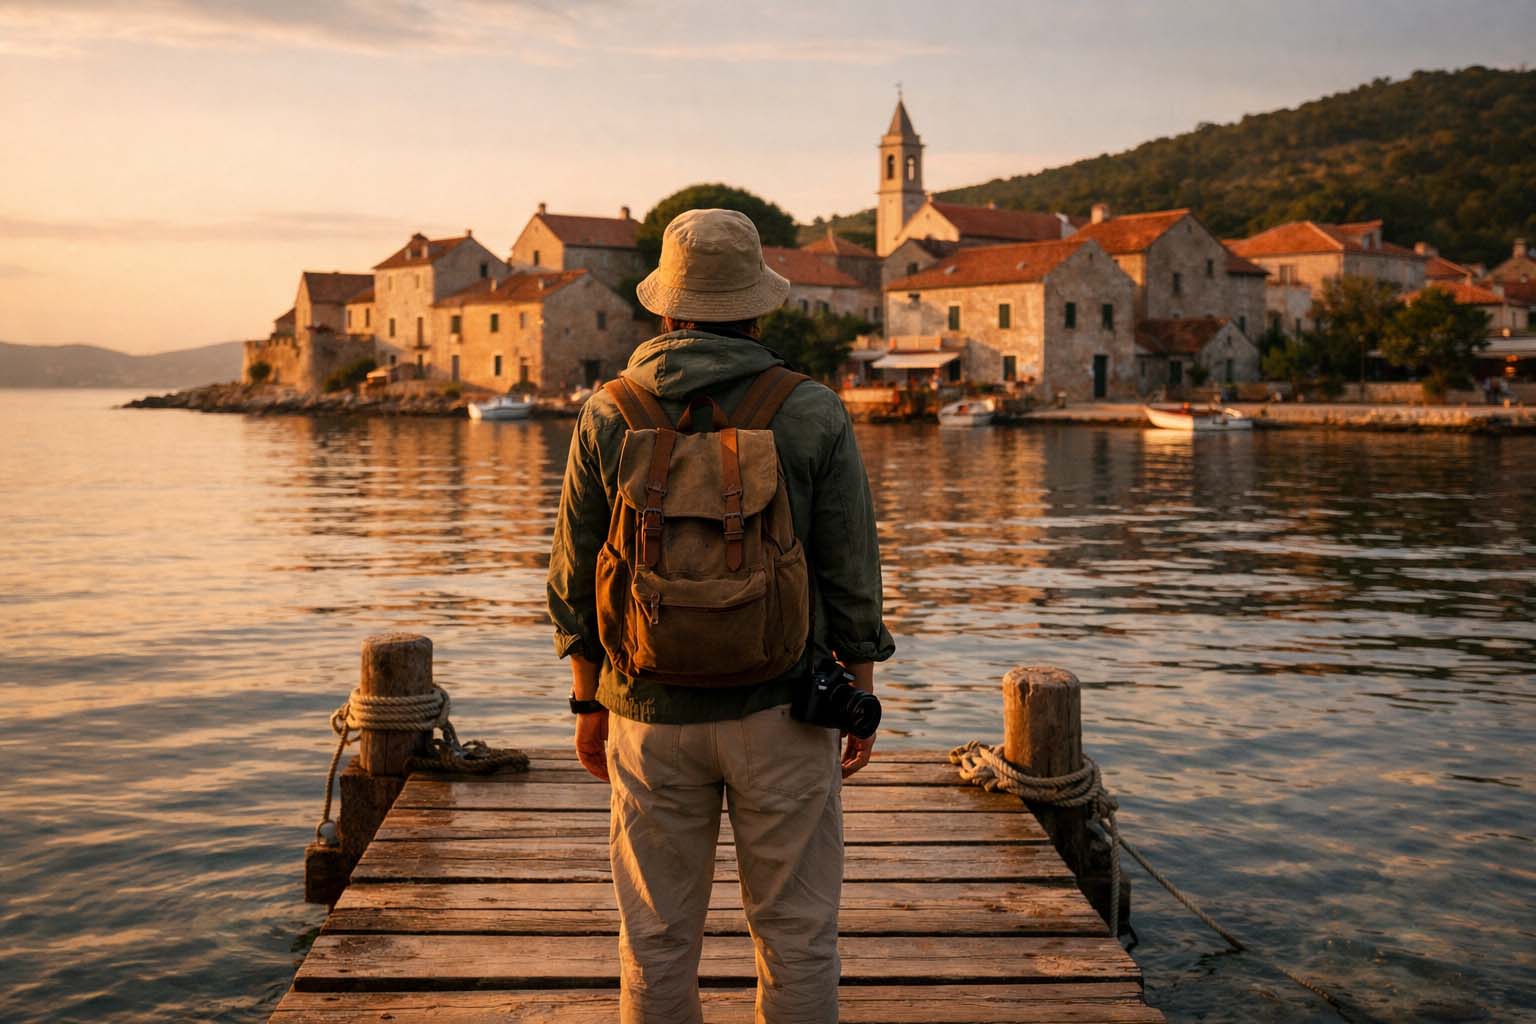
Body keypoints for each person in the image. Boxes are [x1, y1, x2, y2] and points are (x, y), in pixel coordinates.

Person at [547, 208, 894, 1023]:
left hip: (646, 709)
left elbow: (572, 575)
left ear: (666, 310)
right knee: (797, 934)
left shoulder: (609, 410)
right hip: (785, 710)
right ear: (757, 308)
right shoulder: (811, 409)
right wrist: (860, 693)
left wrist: (588, 702)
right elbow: (851, 570)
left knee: (655, 938)